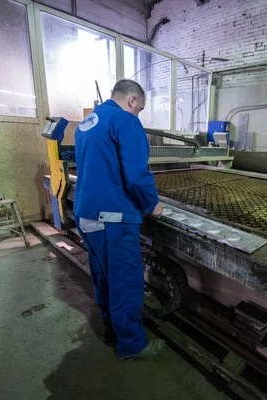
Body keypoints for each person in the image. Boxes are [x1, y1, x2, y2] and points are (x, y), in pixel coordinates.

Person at [73, 79, 165, 361]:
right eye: (140, 109)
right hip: (113, 217)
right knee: (125, 282)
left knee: (103, 278)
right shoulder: (126, 121)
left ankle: (111, 330)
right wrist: (153, 204)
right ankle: (132, 345)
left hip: (86, 214)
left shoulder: (86, 123)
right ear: (133, 101)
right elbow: (137, 174)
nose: (138, 115)